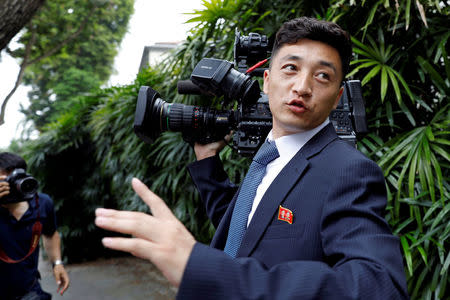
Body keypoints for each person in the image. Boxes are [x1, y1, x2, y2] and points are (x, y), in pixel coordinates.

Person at [95, 17, 409, 299]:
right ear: (267, 80)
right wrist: (207, 163)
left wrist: (202, 267)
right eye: (291, 68)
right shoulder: (268, 156)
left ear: (338, 96)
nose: (301, 87)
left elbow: (380, 286)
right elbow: (249, 232)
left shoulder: (349, 171)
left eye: (323, 76)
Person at [0, 152, 69, 299]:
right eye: (5, 180)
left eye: (16, 179)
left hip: (30, 290)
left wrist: (57, 263)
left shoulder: (42, 203)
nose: (12, 185)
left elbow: (50, 234)